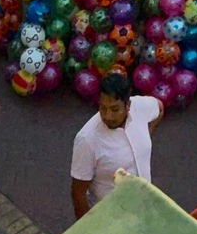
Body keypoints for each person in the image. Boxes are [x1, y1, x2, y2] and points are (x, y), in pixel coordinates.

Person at [69, 72, 162, 218]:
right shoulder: (86, 140)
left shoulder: (141, 107)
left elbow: (159, 108)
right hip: (110, 217)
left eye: (114, 109)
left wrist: (147, 136)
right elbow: (78, 194)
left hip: (144, 205)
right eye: (103, 108)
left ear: (128, 105)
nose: (108, 116)